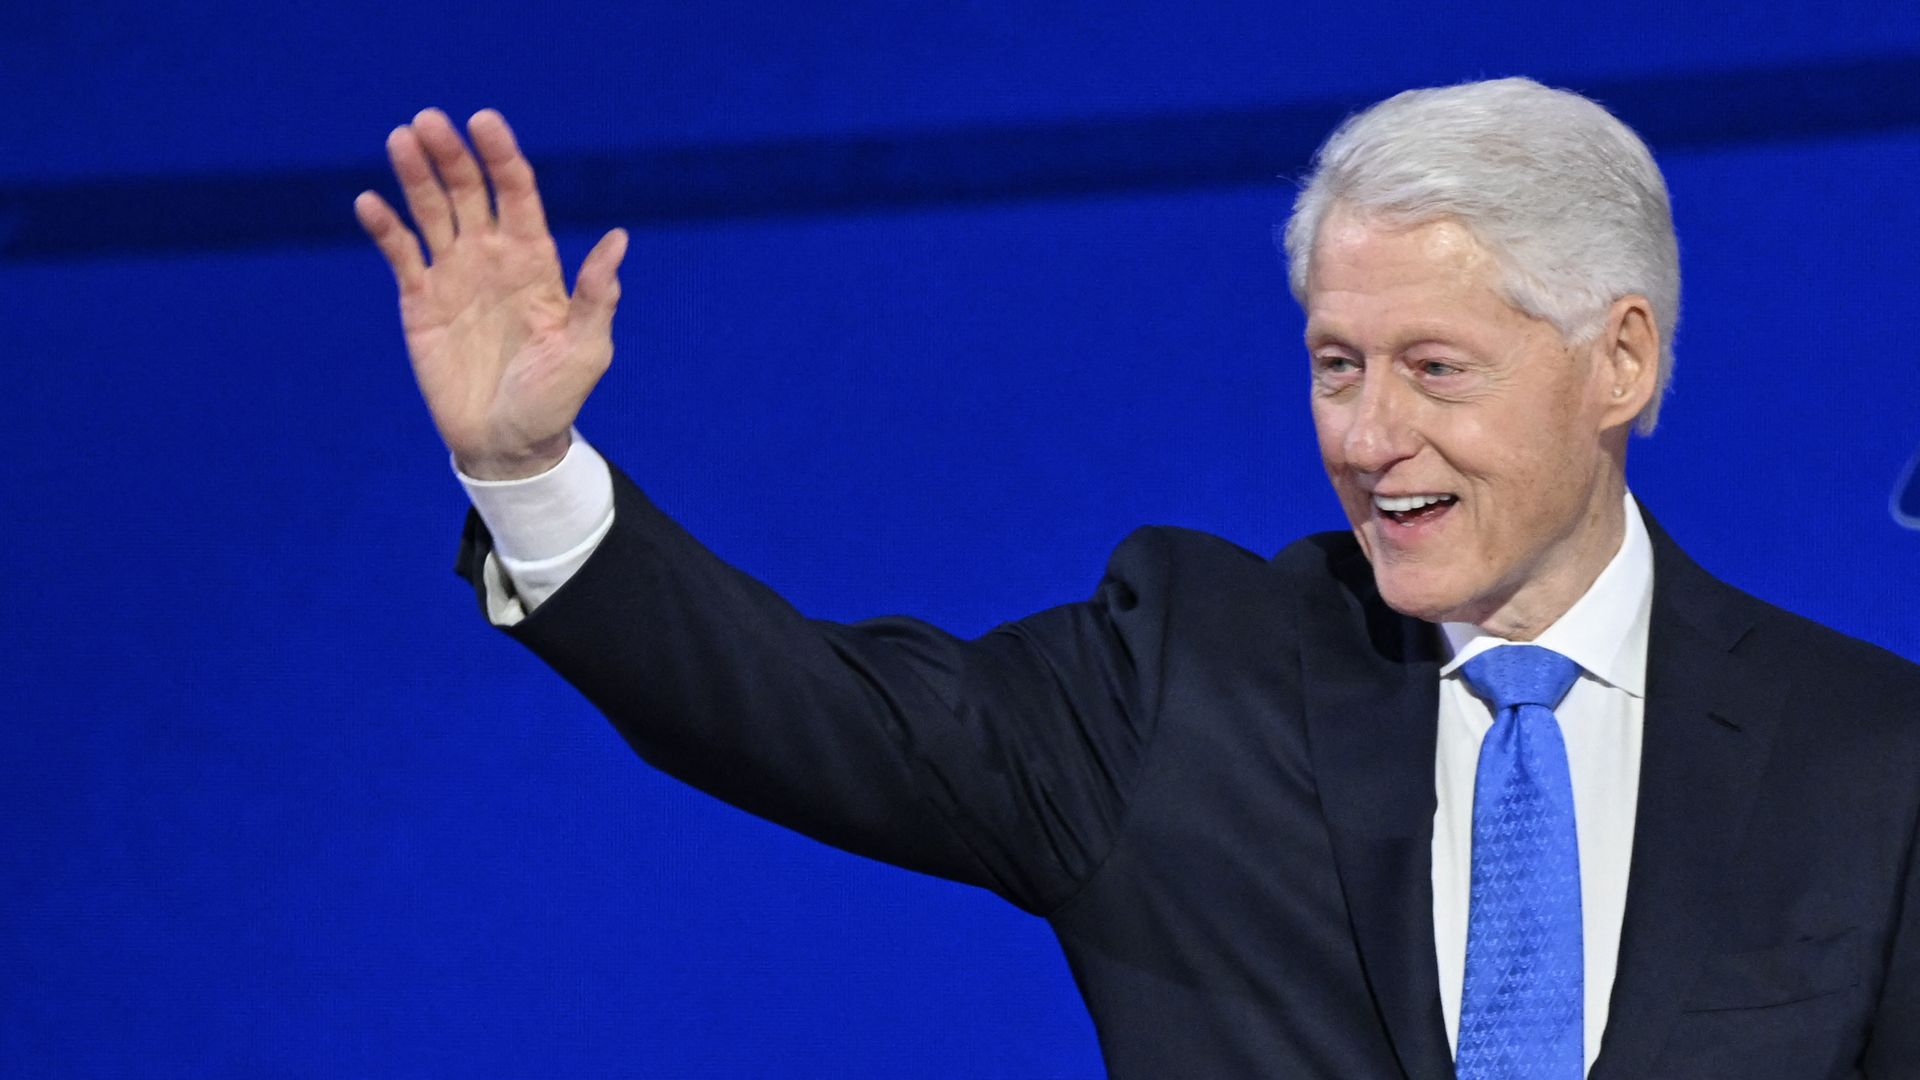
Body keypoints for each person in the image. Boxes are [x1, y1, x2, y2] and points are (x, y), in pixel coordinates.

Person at [356, 78, 1920, 1078]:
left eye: (1436, 369)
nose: (1373, 437)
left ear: (1618, 361)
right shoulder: (1185, 679)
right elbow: (805, 713)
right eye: (1334, 366)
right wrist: (526, 473)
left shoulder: (1868, 757)